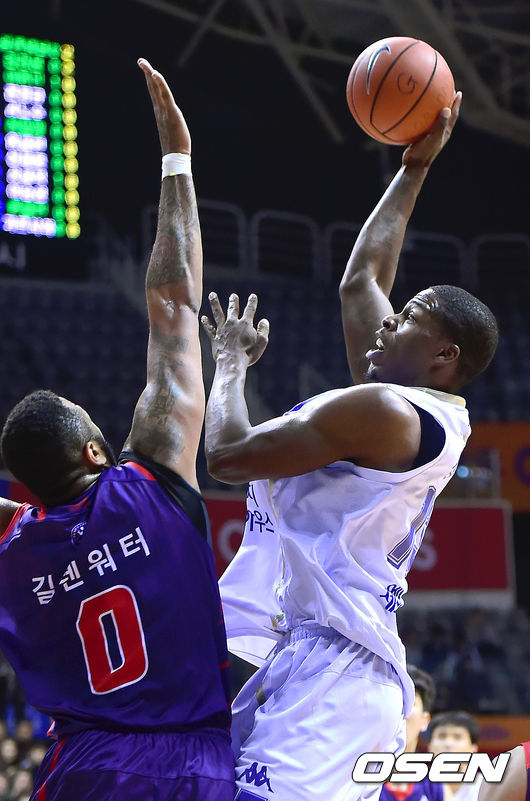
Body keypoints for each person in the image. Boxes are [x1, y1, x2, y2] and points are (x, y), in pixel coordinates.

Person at [201, 88, 498, 801]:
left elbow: (227, 454)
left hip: (340, 674)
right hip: (313, 658)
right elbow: (361, 280)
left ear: (444, 356)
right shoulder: (408, 407)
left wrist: (231, 365)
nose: (388, 321)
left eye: (409, 317)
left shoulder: (386, 412)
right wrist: (414, 168)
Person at [0, 60, 234, 800]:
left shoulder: (13, 546)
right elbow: (173, 307)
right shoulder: (151, 482)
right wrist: (177, 161)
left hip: (85, 767)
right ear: (96, 449)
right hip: (196, 763)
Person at [381, 665, 449, 801]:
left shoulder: (436, 787)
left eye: (409, 702)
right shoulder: (353, 776)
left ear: (425, 720)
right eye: (395, 701)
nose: (400, 711)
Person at [428, 711, 481, 801]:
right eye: (441, 736)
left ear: (473, 749)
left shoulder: (485, 786)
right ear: (430, 747)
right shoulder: (416, 786)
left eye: (457, 737)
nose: (448, 744)